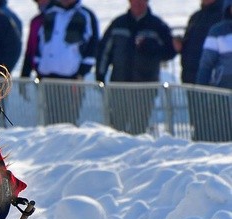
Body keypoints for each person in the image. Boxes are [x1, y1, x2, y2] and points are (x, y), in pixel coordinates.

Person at [96, 0, 176, 135]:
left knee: (138, 128)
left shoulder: (157, 25)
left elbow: (170, 51)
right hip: (119, 86)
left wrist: (152, 49)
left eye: (141, 1)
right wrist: (100, 76)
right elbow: (104, 52)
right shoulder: (118, 24)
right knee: (116, 128)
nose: (137, 4)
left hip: (145, 88)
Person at [34, 0, 99, 125]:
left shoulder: (85, 15)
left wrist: (82, 72)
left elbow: (93, 46)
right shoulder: (50, 13)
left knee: (68, 118)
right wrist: (38, 66)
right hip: (47, 77)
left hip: (72, 78)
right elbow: (41, 42)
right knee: (49, 118)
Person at [177, 0, 223, 141]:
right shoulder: (196, 17)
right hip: (192, 81)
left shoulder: (222, 15)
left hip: (214, 83)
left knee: (218, 126)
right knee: (199, 126)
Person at [195, 0, 232, 140]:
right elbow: (206, 64)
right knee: (224, 131)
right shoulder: (217, 31)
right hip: (222, 93)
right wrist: (200, 91)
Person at [20, 0, 52, 78]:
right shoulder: (36, 22)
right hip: (41, 75)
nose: (41, 3)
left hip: (68, 77)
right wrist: (24, 76)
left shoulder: (69, 18)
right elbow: (30, 51)